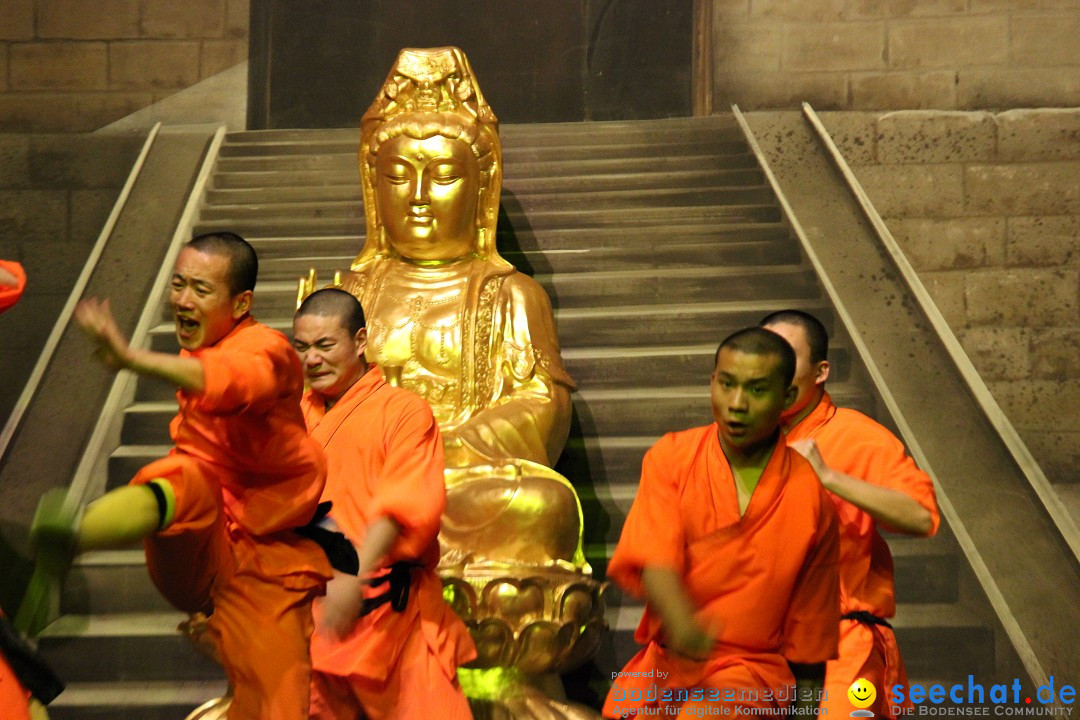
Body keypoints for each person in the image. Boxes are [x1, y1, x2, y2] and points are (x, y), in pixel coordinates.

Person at [32, 232, 332, 720]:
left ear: (241, 303)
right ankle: (70, 536)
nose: (183, 300)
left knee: (280, 704)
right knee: (184, 477)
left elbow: (237, 382)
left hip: (264, 569)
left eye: (200, 289)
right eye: (178, 285)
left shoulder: (267, 347)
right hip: (201, 544)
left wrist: (132, 359)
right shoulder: (201, 350)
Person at [602, 327, 840, 719]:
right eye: (726, 384)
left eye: (757, 389)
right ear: (712, 382)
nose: (737, 404)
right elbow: (654, 556)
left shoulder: (810, 497)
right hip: (664, 666)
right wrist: (683, 625)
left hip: (750, 674)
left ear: (789, 397)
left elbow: (810, 640)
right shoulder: (673, 458)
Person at [292, 288, 475, 720]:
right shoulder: (289, 417)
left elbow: (407, 503)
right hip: (310, 616)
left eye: (324, 345)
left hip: (388, 609)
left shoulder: (404, 411)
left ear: (359, 341)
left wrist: (353, 576)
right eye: (301, 347)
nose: (311, 359)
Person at [761, 310, 939, 720]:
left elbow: (921, 517)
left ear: (821, 371)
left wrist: (828, 475)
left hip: (840, 646)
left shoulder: (857, 436)